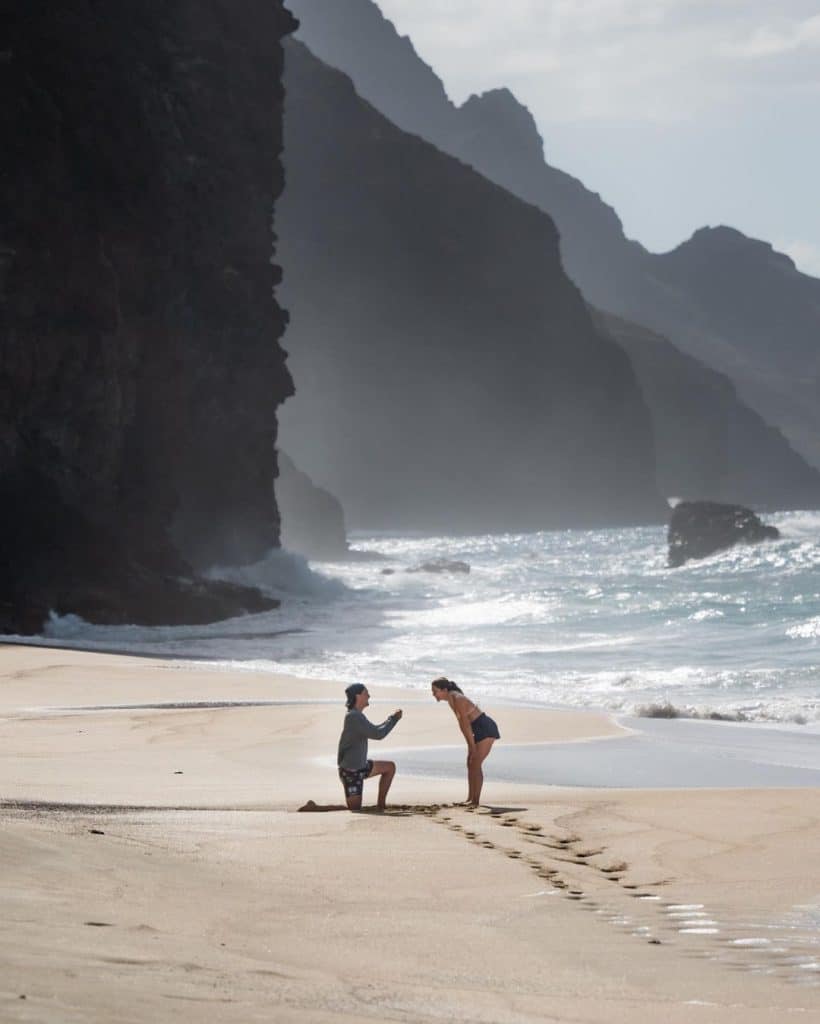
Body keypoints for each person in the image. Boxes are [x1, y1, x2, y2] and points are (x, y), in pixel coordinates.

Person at [431, 676, 499, 806]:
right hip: (477, 729)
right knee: (470, 763)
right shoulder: (451, 699)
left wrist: (472, 746)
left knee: (475, 764)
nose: (433, 694)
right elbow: (463, 725)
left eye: (435, 691)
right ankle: (470, 798)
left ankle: (475, 801)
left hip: (485, 727)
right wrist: (470, 745)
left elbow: (465, 724)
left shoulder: (457, 698)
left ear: (444, 690)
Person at [337, 683, 403, 811]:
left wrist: (392, 718)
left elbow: (376, 729)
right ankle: (315, 807)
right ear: (358, 696)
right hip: (351, 772)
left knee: (390, 767)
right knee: (354, 809)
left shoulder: (357, 715)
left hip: (361, 766)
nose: (369, 696)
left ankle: (381, 805)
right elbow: (378, 734)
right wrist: (394, 719)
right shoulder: (353, 716)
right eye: (366, 693)